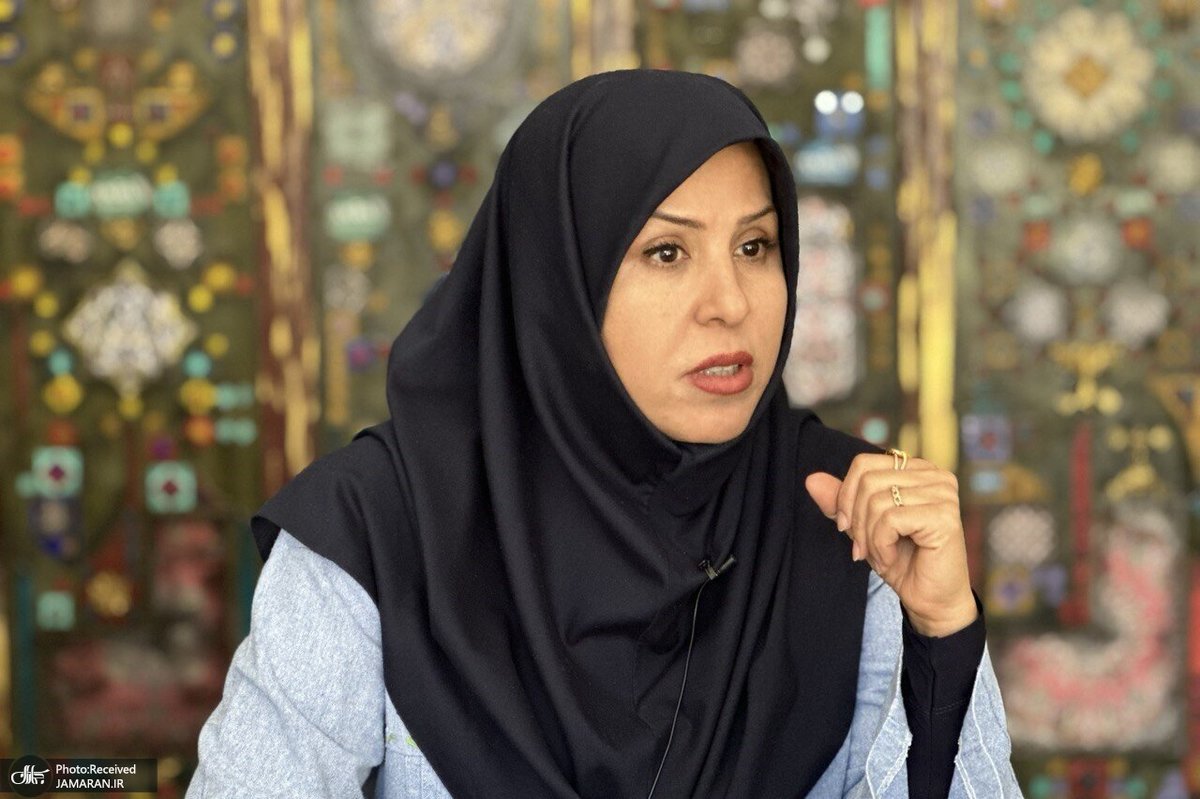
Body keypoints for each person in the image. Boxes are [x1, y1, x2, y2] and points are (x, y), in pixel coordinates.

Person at [186, 69, 1021, 798]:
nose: (731, 302)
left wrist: (943, 629)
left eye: (755, 245)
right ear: (559, 283)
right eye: (667, 252)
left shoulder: (849, 515)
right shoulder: (381, 528)